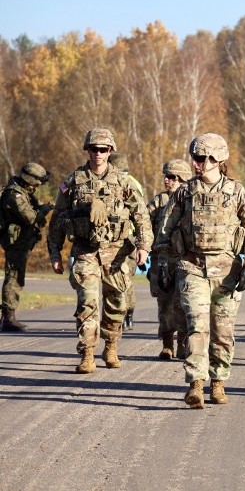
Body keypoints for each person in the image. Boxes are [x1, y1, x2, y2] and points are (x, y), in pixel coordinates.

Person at [155, 133, 245, 408]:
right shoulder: (184, 192)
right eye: (196, 157)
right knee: (196, 327)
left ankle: (218, 382)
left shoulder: (236, 192)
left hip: (226, 272)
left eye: (203, 158)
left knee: (222, 332)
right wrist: (165, 263)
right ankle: (196, 384)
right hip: (192, 268)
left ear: (218, 160)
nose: (197, 163)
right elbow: (165, 229)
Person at [47, 128, 153, 373]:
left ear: (110, 151)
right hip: (85, 251)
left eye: (103, 150)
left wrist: (143, 246)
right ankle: (86, 353)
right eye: (94, 149)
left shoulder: (124, 182)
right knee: (88, 302)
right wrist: (55, 254)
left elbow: (141, 216)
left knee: (117, 302)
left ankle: (112, 345)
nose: (98, 154)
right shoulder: (73, 181)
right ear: (87, 150)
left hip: (116, 252)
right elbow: (58, 219)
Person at [147, 159, 192, 360]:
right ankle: (167, 345)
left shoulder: (192, 199)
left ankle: (183, 343)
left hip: (186, 259)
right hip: (162, 260)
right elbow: (144, 225)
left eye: (173, 177)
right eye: (166, 176)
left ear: (183, 179)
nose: (168, 180)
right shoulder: (159, 201)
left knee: (184, 303)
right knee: (164, 304)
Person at [1, 163, 53, 332]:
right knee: (14, 277)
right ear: (30, 180)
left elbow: (34, 208)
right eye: (38, 182)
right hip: (15, 243)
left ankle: (8, 317)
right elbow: (30, 217)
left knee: (17, 278)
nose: (38, 186)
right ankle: (8, 318)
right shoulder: (14, 195)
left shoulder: (25, 192)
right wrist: (45, 209)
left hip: (22, 242)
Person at [106, 153, 146, 331]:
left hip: (125, 240)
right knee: (124, 278)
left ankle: (124, 312)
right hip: (124, 239)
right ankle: (126, 312)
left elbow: (139, 214)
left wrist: (141, 244)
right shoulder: (134, 182)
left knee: (121, 279)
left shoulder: (127, 184)